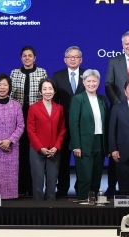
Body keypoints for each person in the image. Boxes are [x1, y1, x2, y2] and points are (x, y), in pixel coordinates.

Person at [10, 46, 48, 196]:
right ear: (21, 58)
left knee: (34, 152)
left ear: (35, 58)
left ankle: (34, 189)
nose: (27, 58)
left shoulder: (42, 72)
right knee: (20, 153)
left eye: (30, 55)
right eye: (24, 56)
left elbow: (45, 93)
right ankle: (20, 188)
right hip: (18, 116)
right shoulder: (14, 73)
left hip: (36, 116)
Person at [70, 70, 108, 201]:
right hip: (84, 143)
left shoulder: (102, 99)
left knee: (97, 177)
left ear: (98, 82)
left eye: (94, 81)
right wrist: (76, 146)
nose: (91, 84)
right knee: (85, 177)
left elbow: (106, 123)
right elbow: (73, 124)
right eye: (89, 81)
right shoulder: (77, 99)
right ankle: (83, 204)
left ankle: (95, 205)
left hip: (100, 142)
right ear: (83, 82)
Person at [53, 46, 86, 197]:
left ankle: (82, 188)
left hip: (83, 125)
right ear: (65, 60)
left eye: (76, 56)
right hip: (63, 125)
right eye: (70, 57)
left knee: (82, 159)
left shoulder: (87, 75)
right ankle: (62, 189)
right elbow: (54, 103)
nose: (73, 59)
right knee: (63, 160)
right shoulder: (57, 76)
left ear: (81, 59)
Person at [27, 78, 66, 201]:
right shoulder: (33, 108)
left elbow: (62, 129)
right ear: (40, 92)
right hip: (37, 150)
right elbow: (30, 131)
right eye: (44, 89)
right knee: (38, 182)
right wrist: (40, 148)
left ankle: (51, 208)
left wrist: (56, 147)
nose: (47, 91)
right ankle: (37, 209)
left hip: (54, 150)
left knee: (52, 182)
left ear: (54, 91)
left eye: (50, 88)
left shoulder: (59, 108)